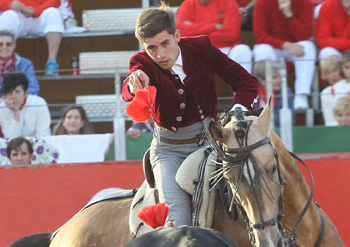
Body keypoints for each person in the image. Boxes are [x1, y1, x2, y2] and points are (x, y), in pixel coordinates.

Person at [122, 4, 259, 227]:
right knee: (178, 220)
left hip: (212, 143)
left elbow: (246, 82)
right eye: (151, 48)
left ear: (177, 35)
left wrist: (237, 113)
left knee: (255, 195)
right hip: (169, 151)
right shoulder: (142, 63)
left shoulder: (201, 47)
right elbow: (128, 89)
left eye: (165, 43)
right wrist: (133, 83)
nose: (160, 54)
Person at [252, 0, 316, 109]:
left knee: (308, 47)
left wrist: (289, 15)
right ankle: (265, 97)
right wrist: (285, 45)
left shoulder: (304, 2)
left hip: (295, 46)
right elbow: (260, 35)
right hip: (273, 46)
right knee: (262, 50)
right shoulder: (262, 2)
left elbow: (305, 35)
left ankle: (301, 95)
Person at [176, 0, 253, 73]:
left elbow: (231, 34)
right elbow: (181, 32)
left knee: (243, 50)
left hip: (225, 48)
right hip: (198, 49)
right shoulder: (188, 4)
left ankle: (244, 83)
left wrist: (194, 29)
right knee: (182, 52)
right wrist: (213, 26)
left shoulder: (228, 2)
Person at [0, 0, 63, 76]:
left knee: (54, 13)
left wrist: (36, 10)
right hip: (18, 13)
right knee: (6, 16)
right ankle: (5, 63)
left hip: (41, 14)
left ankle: (52, 62)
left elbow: (55, 1)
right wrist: (10, 4)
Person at [0, 29, 40, 99]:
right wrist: (7, 90)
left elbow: (34, 89)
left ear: (14, 46)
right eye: (0, 44)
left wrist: (12, 93)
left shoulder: (26, 64)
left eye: (8, 44)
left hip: (20, 101)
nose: (4, 47)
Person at [0, 71, 51, 137]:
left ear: (26, 93)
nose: (13, 96)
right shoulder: (2, 108)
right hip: (15, 143)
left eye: (17, 92)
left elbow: (43, 134)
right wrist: (16, 113)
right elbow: (10, 138)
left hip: (36, 142)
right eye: (10, 92)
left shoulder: (39, 103)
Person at [253, 58, 294, 124]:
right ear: (261, 80)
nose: (279, 80)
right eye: (274, 77)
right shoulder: (251, 93)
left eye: (280, 76)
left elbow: (289, 121)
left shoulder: (285, 91)